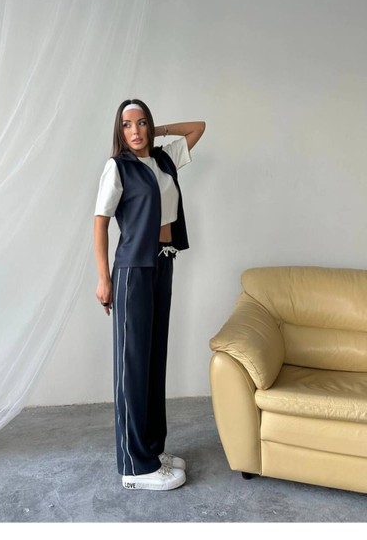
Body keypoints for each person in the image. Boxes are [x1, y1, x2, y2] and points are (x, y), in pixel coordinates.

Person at [93, 98, 205, 491]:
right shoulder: (118, 167)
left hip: (163, 262)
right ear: (118, 131)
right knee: (133, 366)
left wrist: (157, 131)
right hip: (132, 271)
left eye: (141, 123)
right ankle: (134, 466)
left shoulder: (163, 159)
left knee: (154, 360)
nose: (135, 131)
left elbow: (198, 127)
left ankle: (152, 451)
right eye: (127, 125)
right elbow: (100, 222)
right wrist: (103, 279)